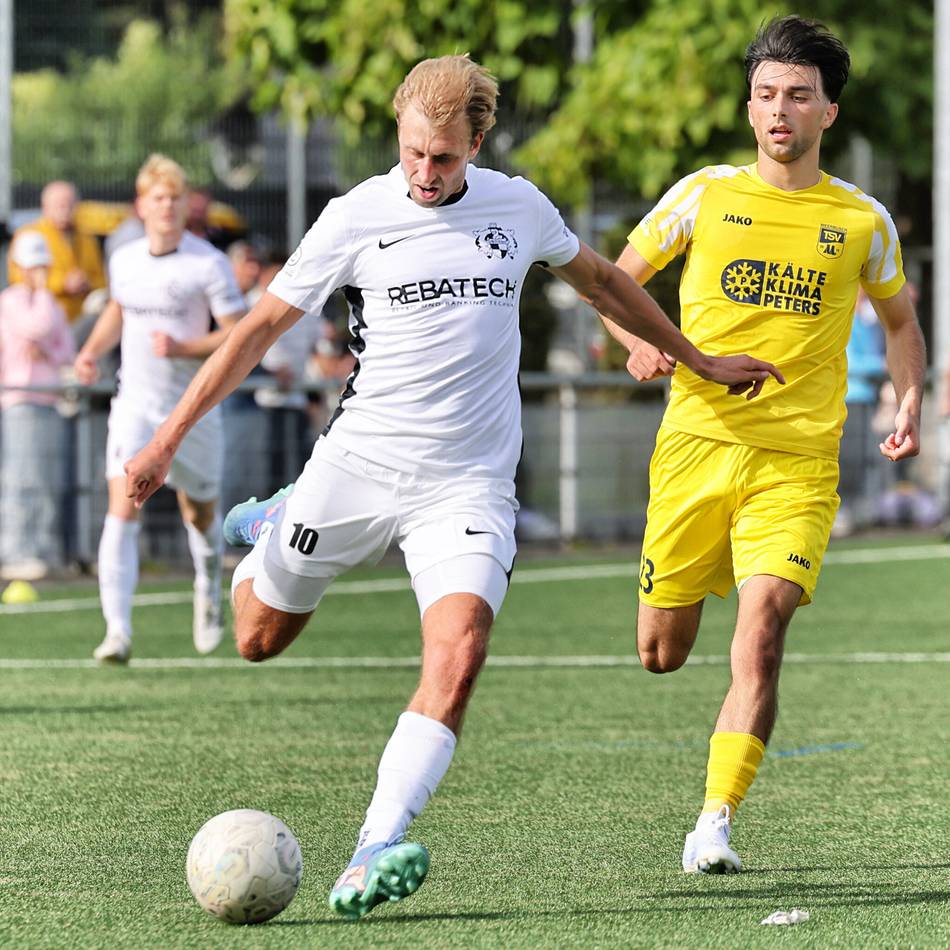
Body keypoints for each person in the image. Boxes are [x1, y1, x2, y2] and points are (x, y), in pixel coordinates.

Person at [122, 55, 780, 918]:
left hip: (467, 486)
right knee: (256, 638)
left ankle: (373, 845)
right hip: (358, 467)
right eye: (412, 156)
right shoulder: (356, 215)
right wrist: (167, 441)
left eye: (444, 158)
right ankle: (278, 522)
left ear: (477, 142)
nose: (425, 176)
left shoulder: (518, 206)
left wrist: (694, 356)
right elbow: (253, 333)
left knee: (461, 649)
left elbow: (605, 281)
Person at [599, 16, 925, 874]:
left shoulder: (862, 222)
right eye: (769, 95)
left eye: (800, 97)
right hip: (695, 446)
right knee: (660, 652)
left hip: (798, 463)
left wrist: (912, 396)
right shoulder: (703, 194)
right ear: (751, 109)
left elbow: (900, 322)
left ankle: (714, 822)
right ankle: (697, 583)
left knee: (764, 626)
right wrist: (636, 339)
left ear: (829, 113)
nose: (782, 111)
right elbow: (613, 282)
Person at [74, 154, 245, 663]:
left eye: (175, 198)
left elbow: (237, 331)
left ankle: (209, 586)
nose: (167, 206)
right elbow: (117, 310)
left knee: (200, 513)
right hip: (135, 406)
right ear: (140, 206)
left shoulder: (206, 262)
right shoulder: (124, 259)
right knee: (121, 508)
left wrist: (184, 347)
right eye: (157, 198)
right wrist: (89, 352)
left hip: (192, 411)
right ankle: (118, 632)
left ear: (186, 204)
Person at [0, 231, 75, 580]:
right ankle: (16, 550)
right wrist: (45, 292)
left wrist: (46, 351)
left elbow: (65, 351)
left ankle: (44, 548)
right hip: (18, 402)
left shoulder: (53, 306)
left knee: (46, 480)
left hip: (47, 400)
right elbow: (36, 327)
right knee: (20, 478)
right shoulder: (10, 300)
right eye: (32, 267)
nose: (37, 273)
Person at [8, 181, 106, 325]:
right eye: (59, 205)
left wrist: (87, 283)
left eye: (69, 204)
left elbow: (101, 280)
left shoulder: (87, 238)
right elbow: (17, 279)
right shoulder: (28, 235)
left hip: (81, 319)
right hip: (42, 321)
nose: (65, 209)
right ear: (44, 206)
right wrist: (62, 284)